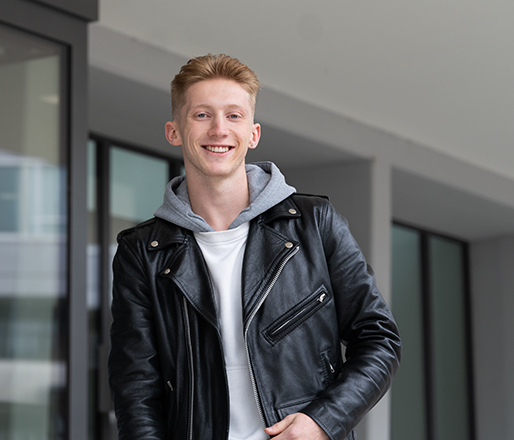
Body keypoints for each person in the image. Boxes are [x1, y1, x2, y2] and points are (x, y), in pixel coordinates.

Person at [108, 54, 401, 440]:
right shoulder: (142, 252)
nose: (218, 129)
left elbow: (378, 339)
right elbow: (136, 387)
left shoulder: (314, 223)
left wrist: (323, 421)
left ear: (253, 133)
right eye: (201, 115)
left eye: (233, 116)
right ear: (174, 131)